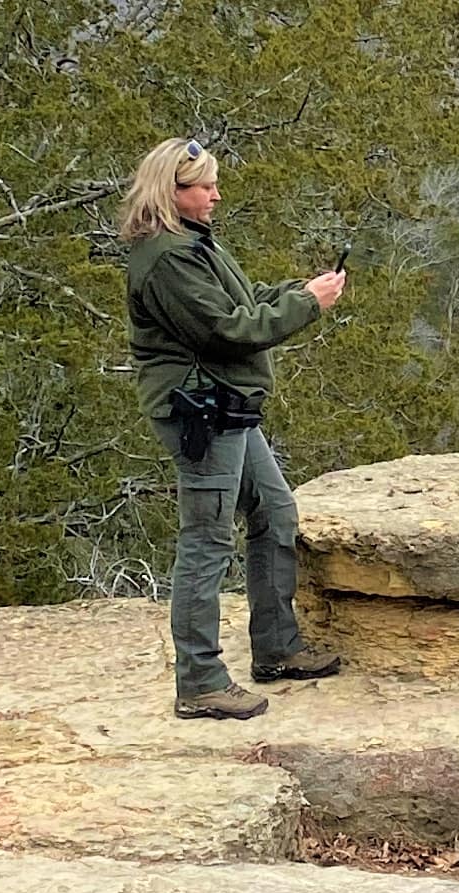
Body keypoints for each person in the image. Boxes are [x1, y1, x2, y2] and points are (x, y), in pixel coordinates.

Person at [117, 137, 346, 720]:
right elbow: (226, 331)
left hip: (227, 407)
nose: (216, 195)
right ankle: (198, 681)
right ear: (173, 191)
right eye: (205, 186)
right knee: (206, 541)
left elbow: (240, 303)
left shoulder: (190, 245)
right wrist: (307, 307)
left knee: (275, 512)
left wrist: (296, 292)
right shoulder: (169, 257)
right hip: (202, 411)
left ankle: (276, 647)